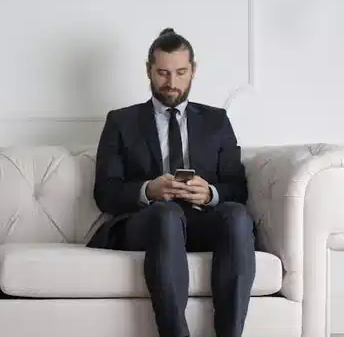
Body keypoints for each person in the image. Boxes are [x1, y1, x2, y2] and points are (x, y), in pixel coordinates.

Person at [86, 28, 256, 337]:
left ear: (193, 70)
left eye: (180, 72)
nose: (172, 83)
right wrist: (148, 190)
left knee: (236, 216)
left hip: (200, 220)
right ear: (148, 69)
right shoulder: (121, 122)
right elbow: (105, 192)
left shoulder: (217, 121)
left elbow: (238, 187)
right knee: (167, 215)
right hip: (147, 222)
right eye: (163, 73)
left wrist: (211, 194)